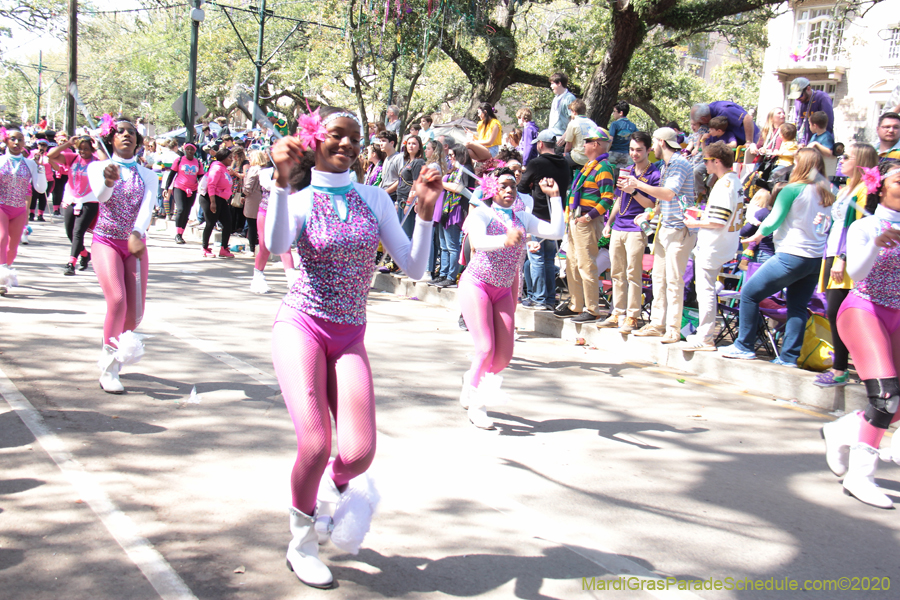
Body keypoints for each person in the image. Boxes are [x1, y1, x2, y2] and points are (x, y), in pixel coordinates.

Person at [266, 105, 443, 587]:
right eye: (336, 136)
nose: (346, 144)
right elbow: (277, 239)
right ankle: (301, 544)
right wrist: (281, 184)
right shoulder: (299, 199)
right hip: (301, 326)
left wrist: (425, 215)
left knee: (360, 452)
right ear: (315, 141)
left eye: (353, 138)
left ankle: (328, 488)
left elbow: (413, 268)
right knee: (316, 442)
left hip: (350, 334)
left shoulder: (374, 200)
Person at [820, 159, 900, 508]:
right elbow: (857, 270)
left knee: (896, 404)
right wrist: (879, 242)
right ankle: (860, 475)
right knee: (886, 397)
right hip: (864, 310)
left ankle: (842, 430)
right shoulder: (864, 226)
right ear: (880, 186)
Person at [458, 169, 565, 429]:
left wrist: (555, 198)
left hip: (503, 289)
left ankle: (471, 378)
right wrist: (504, 240)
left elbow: (556, 230)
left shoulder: (522, 217)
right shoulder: (482, 212)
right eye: (504, 186)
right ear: (493, 189)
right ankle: (477, 404)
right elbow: (479, 242)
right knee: (485, 348)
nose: (509, 190)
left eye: (513, 187)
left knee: (503, 356)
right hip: (477, 284)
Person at [720, 148, 834, 365]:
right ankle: (789, 357)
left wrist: (754, 237)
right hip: (814, 259)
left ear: (801, 165)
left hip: (791, 255)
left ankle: (744, 346)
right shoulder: (826, 193)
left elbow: (773, 220)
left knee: (750, 294)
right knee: (798, 307)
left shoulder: (792, 190)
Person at [86, 118, 156, 393]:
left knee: (135, 314)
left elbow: (148, 205)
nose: (126, 135)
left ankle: (114, 349)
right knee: (117, 300)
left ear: (138, 142)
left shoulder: (147, 174)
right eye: (120, 132)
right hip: (106, 241)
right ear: (111, 139)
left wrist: (138, 233)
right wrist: (108, 180)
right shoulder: (99, 167)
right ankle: (110, 366)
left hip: (135, 244)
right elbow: (102, 197)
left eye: (132, 133)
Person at [622, 128, 697, 343]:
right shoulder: (666, 166)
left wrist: (637, 184)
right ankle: (657, 323)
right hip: (665, 227)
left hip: (679, 229)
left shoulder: (680, 164)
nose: (652, 146)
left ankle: (673, 328)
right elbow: (664, 200)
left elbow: (669, 193)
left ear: (661, 142)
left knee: (673, 280)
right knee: (659, 278)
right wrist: (651, 213)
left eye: (653, 142)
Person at [814, 143, 879, 388]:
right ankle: (843, 367)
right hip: (831, 252)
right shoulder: (845, 189)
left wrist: (843, 257)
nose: (842, 160)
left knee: (840, 314)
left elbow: (859, 229)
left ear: (861, 162)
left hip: (845, 257)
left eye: (848, 157)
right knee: (835, 313)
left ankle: (841, 368)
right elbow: (838, 222)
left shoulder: (864, 191)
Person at [679, 142, 744, 351]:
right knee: (705, 289)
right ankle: (705, 335)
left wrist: (694, 223)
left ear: (716, 161)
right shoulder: (734, 181)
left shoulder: (724, 184)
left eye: (706, 161)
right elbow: (721, 216)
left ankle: (705, 336)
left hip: (714, 245)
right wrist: (701, 214)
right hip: (724, 244)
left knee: (705, 290)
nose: (704, 165)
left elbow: (719, 222)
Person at [553, 126, 614, 322]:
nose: (584, 144)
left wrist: (588, 217)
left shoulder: (604, 168)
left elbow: (607, 199)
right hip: (576, 222)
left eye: (587, 141)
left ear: (596, 144)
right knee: (572, 264)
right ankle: (576, 305)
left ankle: (592, 309)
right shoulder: (590, 165)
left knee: (586, 265)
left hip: (587, 222)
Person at [600, 131, 659, 333]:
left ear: (648, 150)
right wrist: (610, 222)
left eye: (639, 150)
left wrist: (633, 190)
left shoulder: (653, 174)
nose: (634, 153)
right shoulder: (627, 170)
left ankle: (633, 315)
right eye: (632, 149)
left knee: (633, 272)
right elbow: (618, 199)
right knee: (616, 272)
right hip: (619, 226)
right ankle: (617, 313)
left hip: (637, 227)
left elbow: (651, 205)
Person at [517, 130, 572, 309]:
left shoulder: (536, 163)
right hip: (557, 215)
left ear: (540, 144)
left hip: (538, 215)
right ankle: (549, 298)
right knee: (548, 259)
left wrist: (532, 184)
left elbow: (522, 187)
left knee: (537, 259)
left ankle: (539, 298)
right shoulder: (565, 163)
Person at [46, 135, 106, 275]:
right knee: (69, 232)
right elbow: (51, 155)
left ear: (91, 149)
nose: (83, 151)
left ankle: (71, 263)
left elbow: (108, 164)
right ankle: (85, 254)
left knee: (78, 232)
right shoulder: (72, 158)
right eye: (80, 148)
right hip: (71, 199)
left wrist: (98, 147)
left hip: (89, 201)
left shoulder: (96, 162)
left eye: (86, 149)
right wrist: (68, 143)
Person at [0, 129, 48, 294]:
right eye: (13, 139)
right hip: (1, 206)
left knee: (13, 247)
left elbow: (40, 188)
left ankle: (6, 271)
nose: (16, 142)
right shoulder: (0, 161)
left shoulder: (30, 164)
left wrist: (40, 170)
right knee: (1, 238)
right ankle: (1, 277)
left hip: (19, 209)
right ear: (6, 141)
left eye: (20, 139)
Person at [434, 145, 475, 287]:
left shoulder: (466, 169)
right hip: (446, 209)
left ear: (460, 156)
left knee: (452, 246)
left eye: (452, 155)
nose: (450, 158)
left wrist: (440, 182)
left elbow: (459, 188)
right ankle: (443, 274)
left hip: (456, 210)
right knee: (444, 246)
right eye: (450, 155)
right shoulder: (454, 170)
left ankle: (451, 276)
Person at [166, 143, 205, 244]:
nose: (189, 151)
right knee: (181, 209)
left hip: (192, 189)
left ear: (195, 151)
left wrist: (205, 186)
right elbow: (171, 174)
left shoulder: (198, 163)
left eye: (192, 149)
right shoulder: (179, 160)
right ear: (184, 150)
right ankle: (177, 234)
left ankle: (181, 234)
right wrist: (166, 188)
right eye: (187, 149)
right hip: (179, 187)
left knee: (187, 212)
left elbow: (201, 176)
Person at [200, 148, 235, 258]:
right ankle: (205, 248)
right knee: (210, 223)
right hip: (211, 198)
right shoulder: (216, 168)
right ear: (223, 158)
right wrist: (213, 202)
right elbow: (211, 185)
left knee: (228, 223)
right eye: (229, 158)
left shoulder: (224, 169)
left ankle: (224, 248)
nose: (231, 160)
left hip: (221, 199)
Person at [788, 76, 834, 146]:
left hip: (821, 143)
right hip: (805, 144)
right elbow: (799, 123)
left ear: (808, 88)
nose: (797, 99)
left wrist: (819, 143)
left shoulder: (822, 98)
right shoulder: (798, 101)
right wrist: (801, 142)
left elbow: (828, 123)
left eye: (800, 95)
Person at [691, 101, 759, 147]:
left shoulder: (725, 110)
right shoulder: (709, 111)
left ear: (704, 119)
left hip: (754, 142)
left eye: (700, 123)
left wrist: (749, 141)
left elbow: (747, 118)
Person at [396, 135, 425, 238]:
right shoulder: (407, 162)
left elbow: (416, 183)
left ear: (419, 147)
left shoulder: (419, 162)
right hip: (401, 198)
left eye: (414, 144)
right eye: (409, 143)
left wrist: (409, 203)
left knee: (406, 233)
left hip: (408, 201)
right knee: (400, 232)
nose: (411, 146)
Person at [561, 99, 599, 171]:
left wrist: (565, 154)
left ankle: (568, 180)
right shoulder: (593, 124)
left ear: (574, 112)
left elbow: (568, 145)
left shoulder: (573, 123)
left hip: (577, 157)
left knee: (560, 160)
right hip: (590, 157)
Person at [607, 101, 638, 168]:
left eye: (614, 111)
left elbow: (611, 139)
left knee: (611, 174)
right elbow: (638, 138)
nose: (613, 113)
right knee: (624, 175)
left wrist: (606, 152)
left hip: (614, 153)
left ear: (620, 113)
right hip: (627, 155)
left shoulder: (614, 124)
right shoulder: (633, 126)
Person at [548, 73, 576, 141]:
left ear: (559, 83)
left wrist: (565, 136)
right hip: (552, 136)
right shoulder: (555, 98)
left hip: (562, 139)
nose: (551, 86)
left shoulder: (569, 98)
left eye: (552, 83)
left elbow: (573, 120)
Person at [377, 131, 403, 204]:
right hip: (384, 195)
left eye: (383, 141)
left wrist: (386, 191)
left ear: (392, 143)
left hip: (393, 197)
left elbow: (401, 180)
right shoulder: (386, 159)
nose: (381, 144)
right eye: (380, 141)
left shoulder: (399, 158)